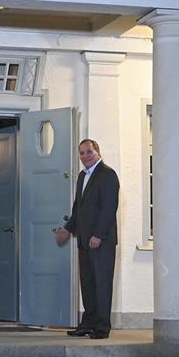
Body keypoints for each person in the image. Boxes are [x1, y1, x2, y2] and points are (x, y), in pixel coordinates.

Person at [54, 138, 119, 340]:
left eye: (89, 152)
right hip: (84, 240)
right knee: (88, 284)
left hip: (101, 241)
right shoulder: (82, 176)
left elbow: (109, 208)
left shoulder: (107, 174)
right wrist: (67, 229)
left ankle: (102, 328)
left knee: (102, 284)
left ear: (98, 152)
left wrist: (98, 235)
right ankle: (88, 324)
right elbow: (78, 208)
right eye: (81, 153)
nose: (85, 156)